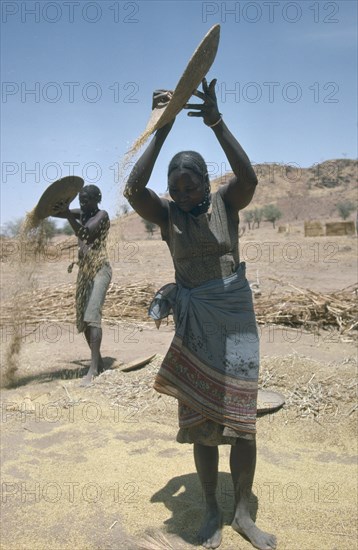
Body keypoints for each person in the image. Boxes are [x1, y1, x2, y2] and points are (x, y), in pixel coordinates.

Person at [124, 78, 276, 550]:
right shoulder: (168, 215)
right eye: (176, 189)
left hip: (236, 321)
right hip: (195, 327)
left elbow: (249, 178)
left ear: (205, 183)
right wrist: (161, 128)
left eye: (191, 187)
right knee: (202, 427)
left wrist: (216, 121)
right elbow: (133, 188)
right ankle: (211, 509)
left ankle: (243, 512)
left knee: (242, 422)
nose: (184, 195)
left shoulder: (226, 203)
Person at [53, 184, 112, 386]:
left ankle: (93, 370)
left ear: (97, 199)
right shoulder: (83, 213)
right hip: (84, 272)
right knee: (84, 321)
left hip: (100, 270)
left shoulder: (101, 215)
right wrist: (60, 207)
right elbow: (61, 213)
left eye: (86, 200)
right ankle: (99, 361)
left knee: (92, 317)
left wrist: (69, 214)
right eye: (81, 200)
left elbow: (86, 234)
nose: (83, 203)